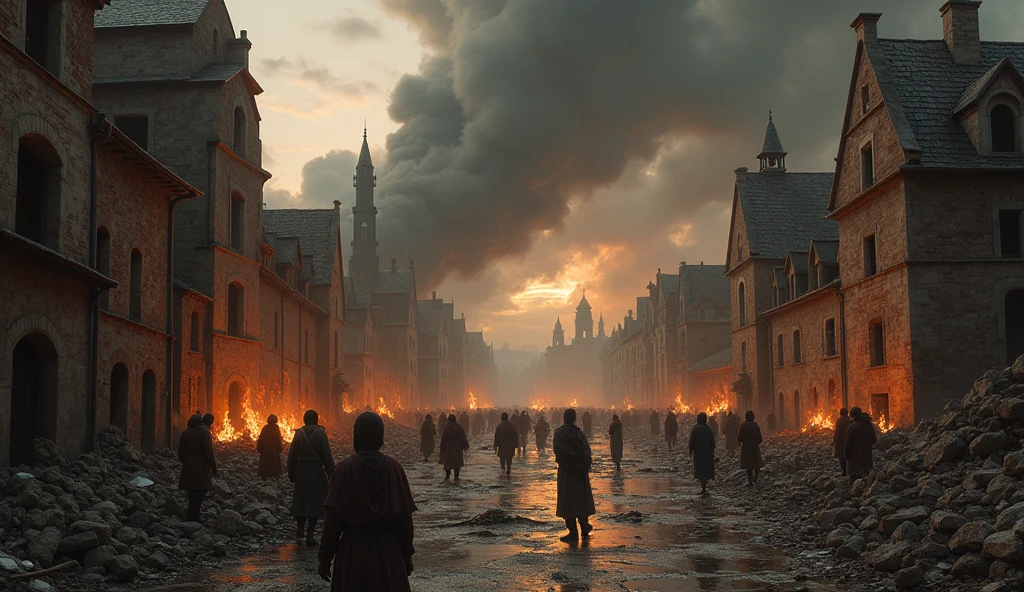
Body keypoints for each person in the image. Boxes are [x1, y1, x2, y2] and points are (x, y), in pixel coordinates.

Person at [317, 412, 417, 590]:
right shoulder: (394, 468)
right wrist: (406, 554)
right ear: (381, 436)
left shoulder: (343, 470)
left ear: (356, 436)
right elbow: (404, 519)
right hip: (388, 553)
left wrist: (325, 559)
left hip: (353, 554)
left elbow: (332, 523)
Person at [288, 410, 336, 545]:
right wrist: (332, 474)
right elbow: (327, 456)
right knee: (315, 500)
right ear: (317, 420)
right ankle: (310, 535)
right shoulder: (321, 434)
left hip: (301, 470)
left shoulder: (298, 434)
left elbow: (291, 456)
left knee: (301, 499)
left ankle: (300, 529)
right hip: (316, 471)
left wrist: (291, 473)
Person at [553, 409, 596, 542]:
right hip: (579, 471)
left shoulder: (560, 433)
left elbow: (560, 451)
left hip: (568, 472)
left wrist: (576, 459)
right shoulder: (579, 433)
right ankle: (584, 526)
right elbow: (587, 450)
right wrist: (582, 461)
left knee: (568, 499)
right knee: (581, 498)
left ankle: (574, 530)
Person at [178, 412, 218, 523]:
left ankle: (192, 514)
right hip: (201, 465)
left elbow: (180, 452)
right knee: (201, 489)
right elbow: (208, 453)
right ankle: (193, 516)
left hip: (188, 465)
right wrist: (213, 467)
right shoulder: (204, 432)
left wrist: (186, 462)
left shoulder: (185, 432)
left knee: (193, 490)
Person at [844, 407, 877, 485]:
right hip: (867, 456)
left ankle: (854, 492)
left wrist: (846, 453)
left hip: (855, 457)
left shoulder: (852, 426)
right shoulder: (868, 424)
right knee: (866, 477)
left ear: (853, 415)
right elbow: (874, 439)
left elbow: (847, 443)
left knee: (855, 478)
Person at [688, 412, 715, 495]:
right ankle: (704, 485)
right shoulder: (708, 428)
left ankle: (703, 487)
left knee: (700, 470)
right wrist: (712, 452)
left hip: (699, 453)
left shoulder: (695, 428)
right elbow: (713, 442)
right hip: (707, 453)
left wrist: (690, 450)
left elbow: (691, 440)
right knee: (706, 469)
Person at [736, 411, 764, 487]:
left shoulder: (743, 425)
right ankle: (756, 476)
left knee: (748, 466)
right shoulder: (755, 425)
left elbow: (739, 437)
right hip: (754, 446)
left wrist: (739, 444)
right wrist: (755, 443)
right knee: (756, 462)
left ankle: (750, 482)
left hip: (746, 446)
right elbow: (760, 438)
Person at [439, 414, 470, 481]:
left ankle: (447, 476)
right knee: (457, 465)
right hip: (457, 448)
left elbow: (443, 440)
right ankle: (456, 478)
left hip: (449, 448)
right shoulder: (459, 427)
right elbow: (463, 438)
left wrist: (442, 451)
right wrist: (465, 446)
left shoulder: (446, 428)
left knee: (448, 464)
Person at [256, 414, 284, 480]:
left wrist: (260, 450)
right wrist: (280, 449)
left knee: (265, 466)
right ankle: (274, 477)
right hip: (273, 451)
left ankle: (264, 477)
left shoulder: (265, 428)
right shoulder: (276, 428)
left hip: (265, 451)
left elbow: (260, 440)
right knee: (274, 466)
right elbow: (278, 439)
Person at [833, 408, 852, 477]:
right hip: (849, 441)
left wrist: (835, 440)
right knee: (848, 456)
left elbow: (837, 431)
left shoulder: (839, 420)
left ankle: (844, 471)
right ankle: (848, 470)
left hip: (841, 441)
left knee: (842, 457)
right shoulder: (850, 420)